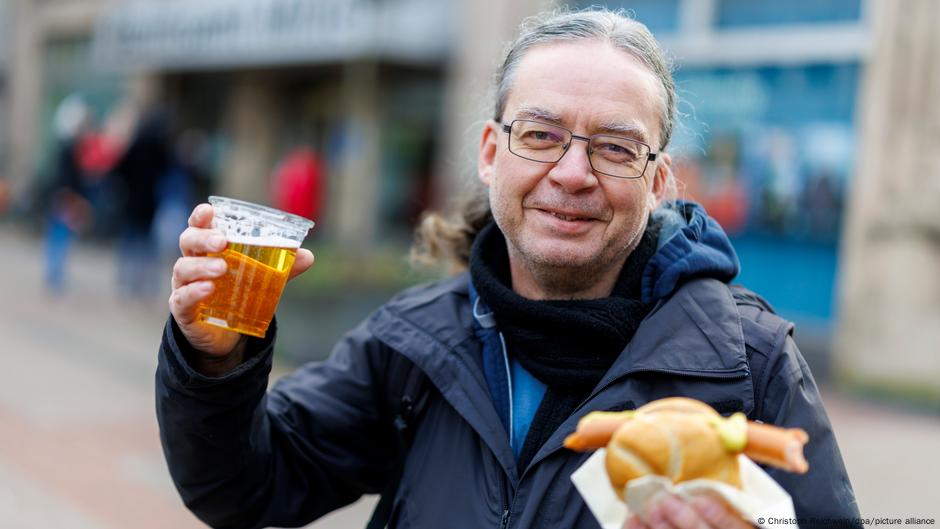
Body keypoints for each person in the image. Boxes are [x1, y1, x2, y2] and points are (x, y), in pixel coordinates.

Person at [157, 9, 861, 529]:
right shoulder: (414, 344)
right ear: (493, 153)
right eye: (541, 135)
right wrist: (214, 358)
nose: (573, 172)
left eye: (616, 147)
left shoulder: (749, 367)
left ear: (658, 182)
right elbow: (245, 484)